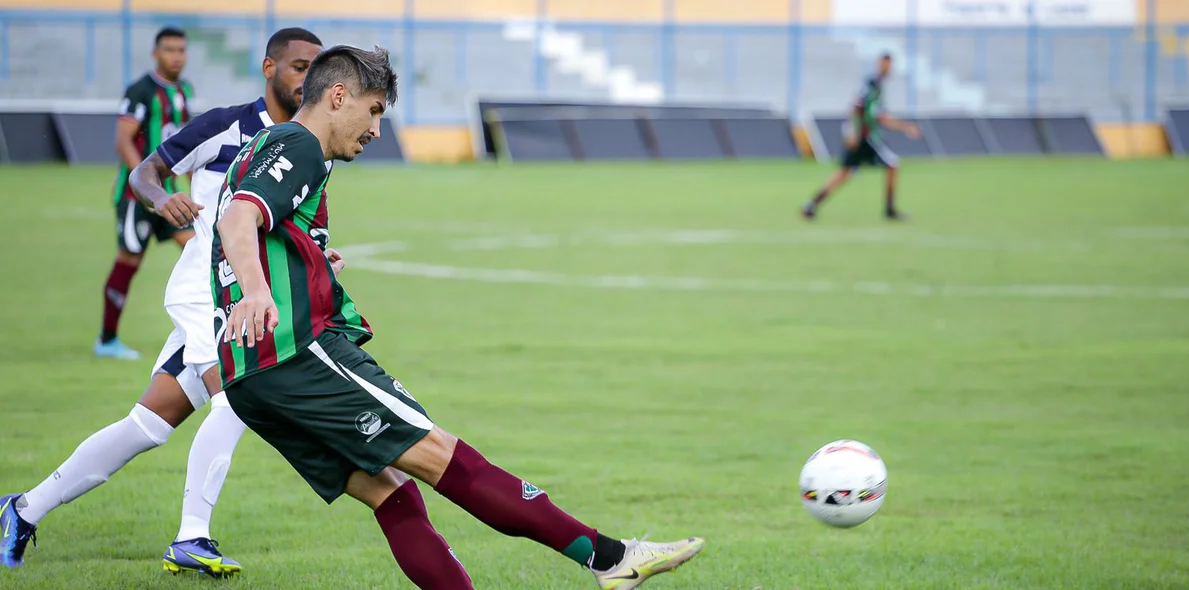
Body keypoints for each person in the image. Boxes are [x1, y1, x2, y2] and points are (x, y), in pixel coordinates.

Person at [212, 44, 705, 589]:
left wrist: (311, 259)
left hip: (248, 377)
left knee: (392, 491)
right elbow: (238, 222)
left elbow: (256, 228)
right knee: (443, 456)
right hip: (294, 351)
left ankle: (608, 560)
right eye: (373, 110)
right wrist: (259, 293)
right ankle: (610, 559)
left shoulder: (262, 148)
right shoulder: (299, 144)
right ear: (337, 96)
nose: (377, 129)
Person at [0, 28, 326, 578]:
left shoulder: (309, 144)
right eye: (298, 67)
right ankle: (192, 537)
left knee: (145, 426)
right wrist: (161, 197)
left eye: (315, 72)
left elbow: (295, 224)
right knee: (240, 397)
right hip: (206, 291)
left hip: (242, 299)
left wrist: (320, 256)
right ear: (268, 68)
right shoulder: (225, 125)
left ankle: (24, 508)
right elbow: (144, 170)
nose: (306, 80)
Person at [98, 26, 195, 360]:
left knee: (200, 250)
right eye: (170, 50)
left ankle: (201, 329)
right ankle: (107, 339)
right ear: (156, 53)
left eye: (181, 50)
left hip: (172, 196)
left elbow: (187, 144)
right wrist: (145, 182)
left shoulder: (183, 91)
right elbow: (123, 140)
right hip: (137, 199)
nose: (176, 56)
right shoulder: (141, 90)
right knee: (129, 261)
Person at [802, 53, 920, 222]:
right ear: (879, 64)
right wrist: (853, 132)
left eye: (890, 64)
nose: (888, 67)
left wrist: (903, 127)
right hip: (864, 138)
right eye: (885, 64)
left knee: (845, 172)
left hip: (863, 136)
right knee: (892, 165)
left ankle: (811, 205)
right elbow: (857, 108)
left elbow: (880, 116)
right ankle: (890, 210)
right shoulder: (872, 85)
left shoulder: (877, 87)